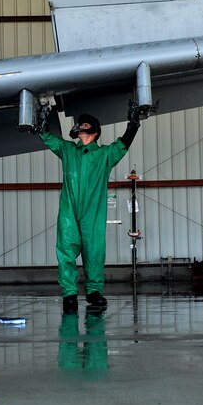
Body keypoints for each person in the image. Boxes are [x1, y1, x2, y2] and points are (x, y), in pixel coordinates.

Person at [38, 105, 141, 313]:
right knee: (66, 250)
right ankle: (69, 293)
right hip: (69, 210)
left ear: (94, 132)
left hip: (92, 213)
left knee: (93, 251)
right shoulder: (68, 150)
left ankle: (94, 291)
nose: (79, 127)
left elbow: (122, 145)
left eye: (84, 125)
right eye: (79, 124)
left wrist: (133, 124)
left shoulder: (104, 155)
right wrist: (42, 124)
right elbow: (49, 139)